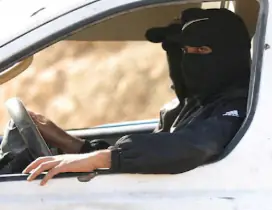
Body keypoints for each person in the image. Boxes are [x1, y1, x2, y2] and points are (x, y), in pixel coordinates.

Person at [0, 8, 251, 185]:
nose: (187, 60)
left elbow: (191, 146)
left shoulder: (237, 106)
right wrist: (69, 143)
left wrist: (100, 158)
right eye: (184, 51)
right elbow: (152, 153)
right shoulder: (193, 105)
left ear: (231, 53)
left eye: (202, 50)